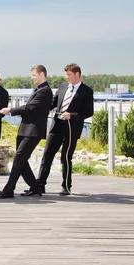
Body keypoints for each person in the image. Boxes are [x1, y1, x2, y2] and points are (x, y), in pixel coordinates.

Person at [0, 65, 53, 199]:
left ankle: (9, 189)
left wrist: (10, 110)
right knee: (22, 160)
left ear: (42, 74)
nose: (32, 78)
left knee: (19, 158)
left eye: (34, 75)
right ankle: (35, 187)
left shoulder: (45, 91)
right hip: (25, 129)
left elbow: (30, 107)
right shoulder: (38, 89)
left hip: (33, 131)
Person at [35, 63, 94, 195]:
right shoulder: (62, 87)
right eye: (66, 75)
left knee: (66, 157)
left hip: (71, 128)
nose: (67, 77)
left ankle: (66, 186)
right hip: (56, 126)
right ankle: (40, 184)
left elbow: (89, 112)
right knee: (47, 154)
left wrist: (72, 115)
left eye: (69, 75)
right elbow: (53, 103)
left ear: (77, 74)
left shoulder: (87, 91)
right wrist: (41, 109)